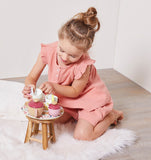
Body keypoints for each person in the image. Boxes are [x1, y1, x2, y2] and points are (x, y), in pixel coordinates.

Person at [22, 7, 123, 141]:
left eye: (73, 55)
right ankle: (74, 114)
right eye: (62, 49)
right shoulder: (48, 51)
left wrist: (54, 86)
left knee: (82, 135)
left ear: (86, 50)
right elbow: (32, 77)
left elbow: (75, 91)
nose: (65, 57)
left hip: (90, 100)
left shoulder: (84, 65)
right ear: (59, 40)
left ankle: (111, 116)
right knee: (49, 118)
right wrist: (30, 87)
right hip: (66, 99)